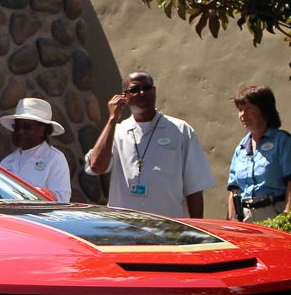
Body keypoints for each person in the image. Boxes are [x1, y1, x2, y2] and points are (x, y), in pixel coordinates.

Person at [86, 71, 216, 219]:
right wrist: (112, 120)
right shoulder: (117, 131)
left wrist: (196, 230)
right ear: (125, 97)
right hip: (124, 229)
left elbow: (194, 187)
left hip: (168, 229)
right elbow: (97, 166)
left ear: (154, 91)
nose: (142, 93)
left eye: (147, 87)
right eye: (134, 89)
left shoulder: (180, 130)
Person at [226, 85, 291, 222]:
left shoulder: (284, 141)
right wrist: (230, 223)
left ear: (264, 109)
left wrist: (288, 216)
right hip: (244, 218)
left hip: (274, 213)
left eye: (249, 108)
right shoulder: (241, 148)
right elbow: (235, 190)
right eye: (240, 110)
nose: (243, 114)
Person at [0, 98, 72, 202]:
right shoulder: (7, 162)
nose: (20, 131)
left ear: (43, 130)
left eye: (27, 127)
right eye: (17, 126)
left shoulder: (55, 159)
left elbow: (62, 201)